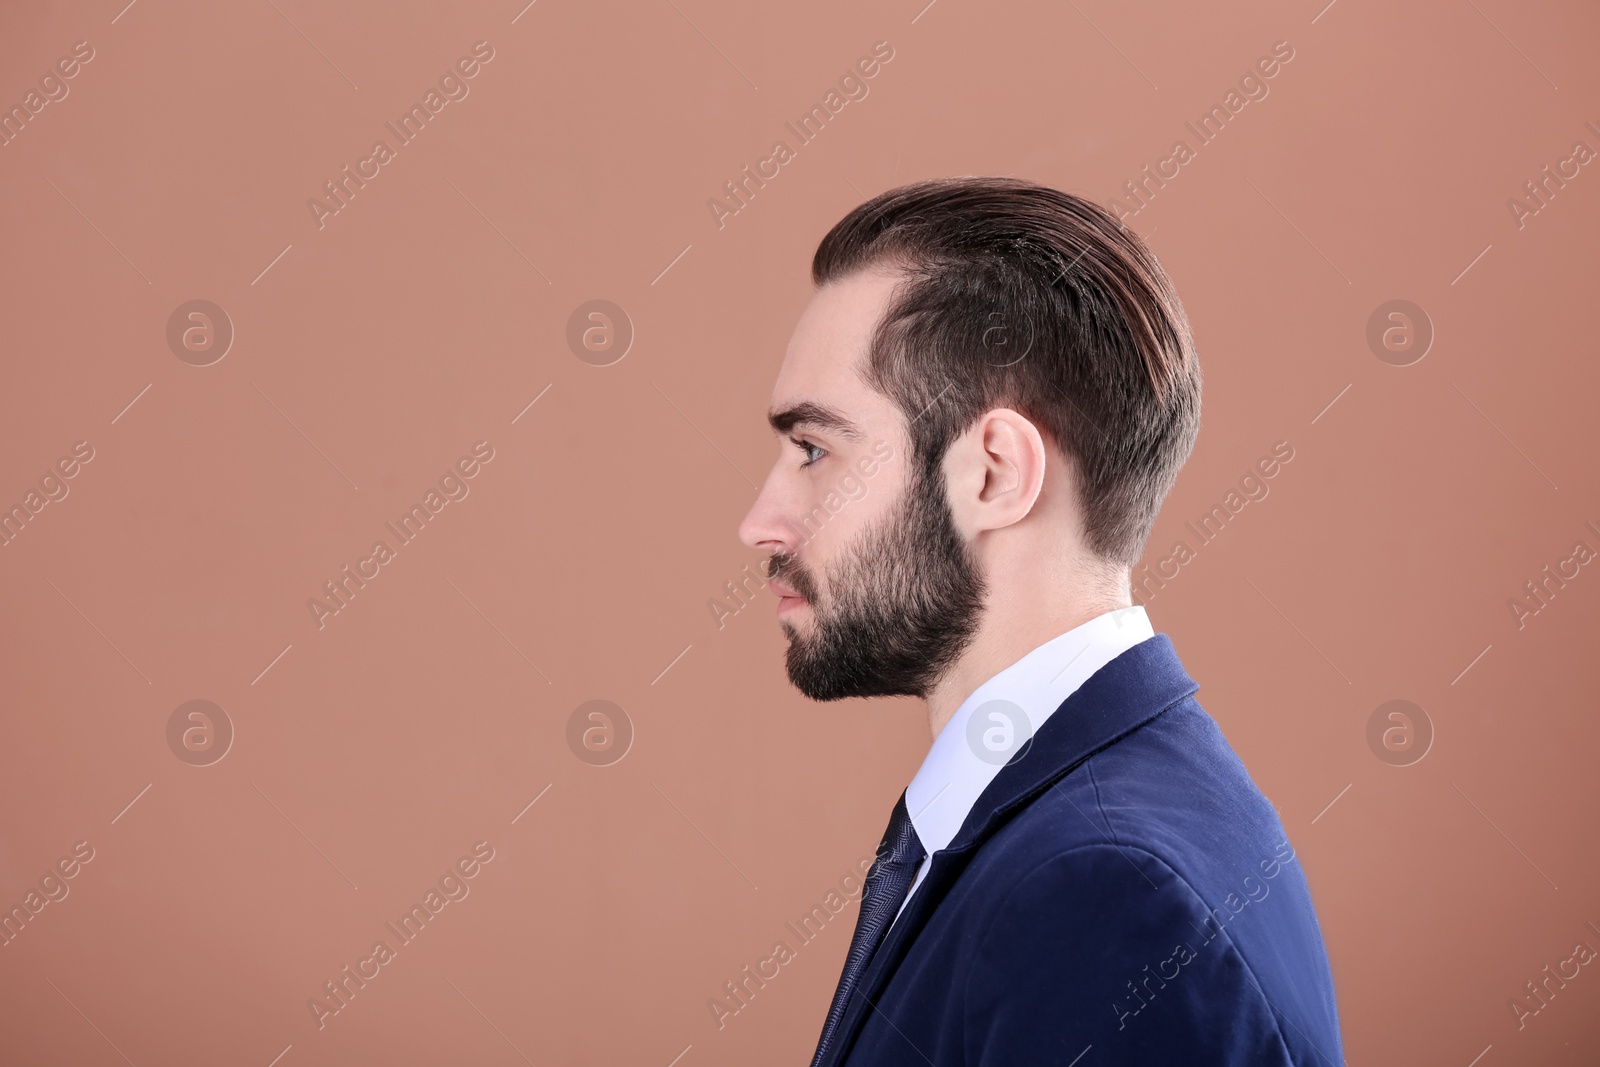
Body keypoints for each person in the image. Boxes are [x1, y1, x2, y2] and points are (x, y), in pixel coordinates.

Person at [737, 176, 1343, 1065]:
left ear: (994, 473)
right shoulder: (1093, 819)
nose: (760, 521)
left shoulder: (1106, 892)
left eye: (815, 449)